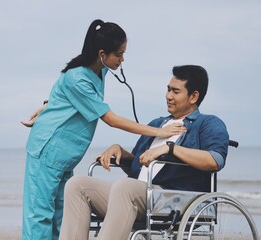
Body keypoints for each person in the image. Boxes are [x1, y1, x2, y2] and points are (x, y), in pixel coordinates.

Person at [21, 19, 185, 240]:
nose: (122, 59)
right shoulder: (77, 78)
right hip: (47, 148)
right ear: (101, 54)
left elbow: (63, 95)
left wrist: (48, 105)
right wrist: (158, 132)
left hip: (64, 156)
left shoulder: (100, 71)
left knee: (60, 216)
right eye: (118, 54)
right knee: (40, 216)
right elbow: (111, 119)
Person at [59, 65, 230, 240]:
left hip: (174, 198)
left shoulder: (207, 123)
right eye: (168, 89)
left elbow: (215, 160)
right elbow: (139, 166)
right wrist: (121, 153)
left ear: (194, 96)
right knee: (76, 184)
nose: (168, 96)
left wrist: (171, 149)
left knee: (125, 187)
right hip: (137, 195)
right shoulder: (156, 124)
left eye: (176, 92)